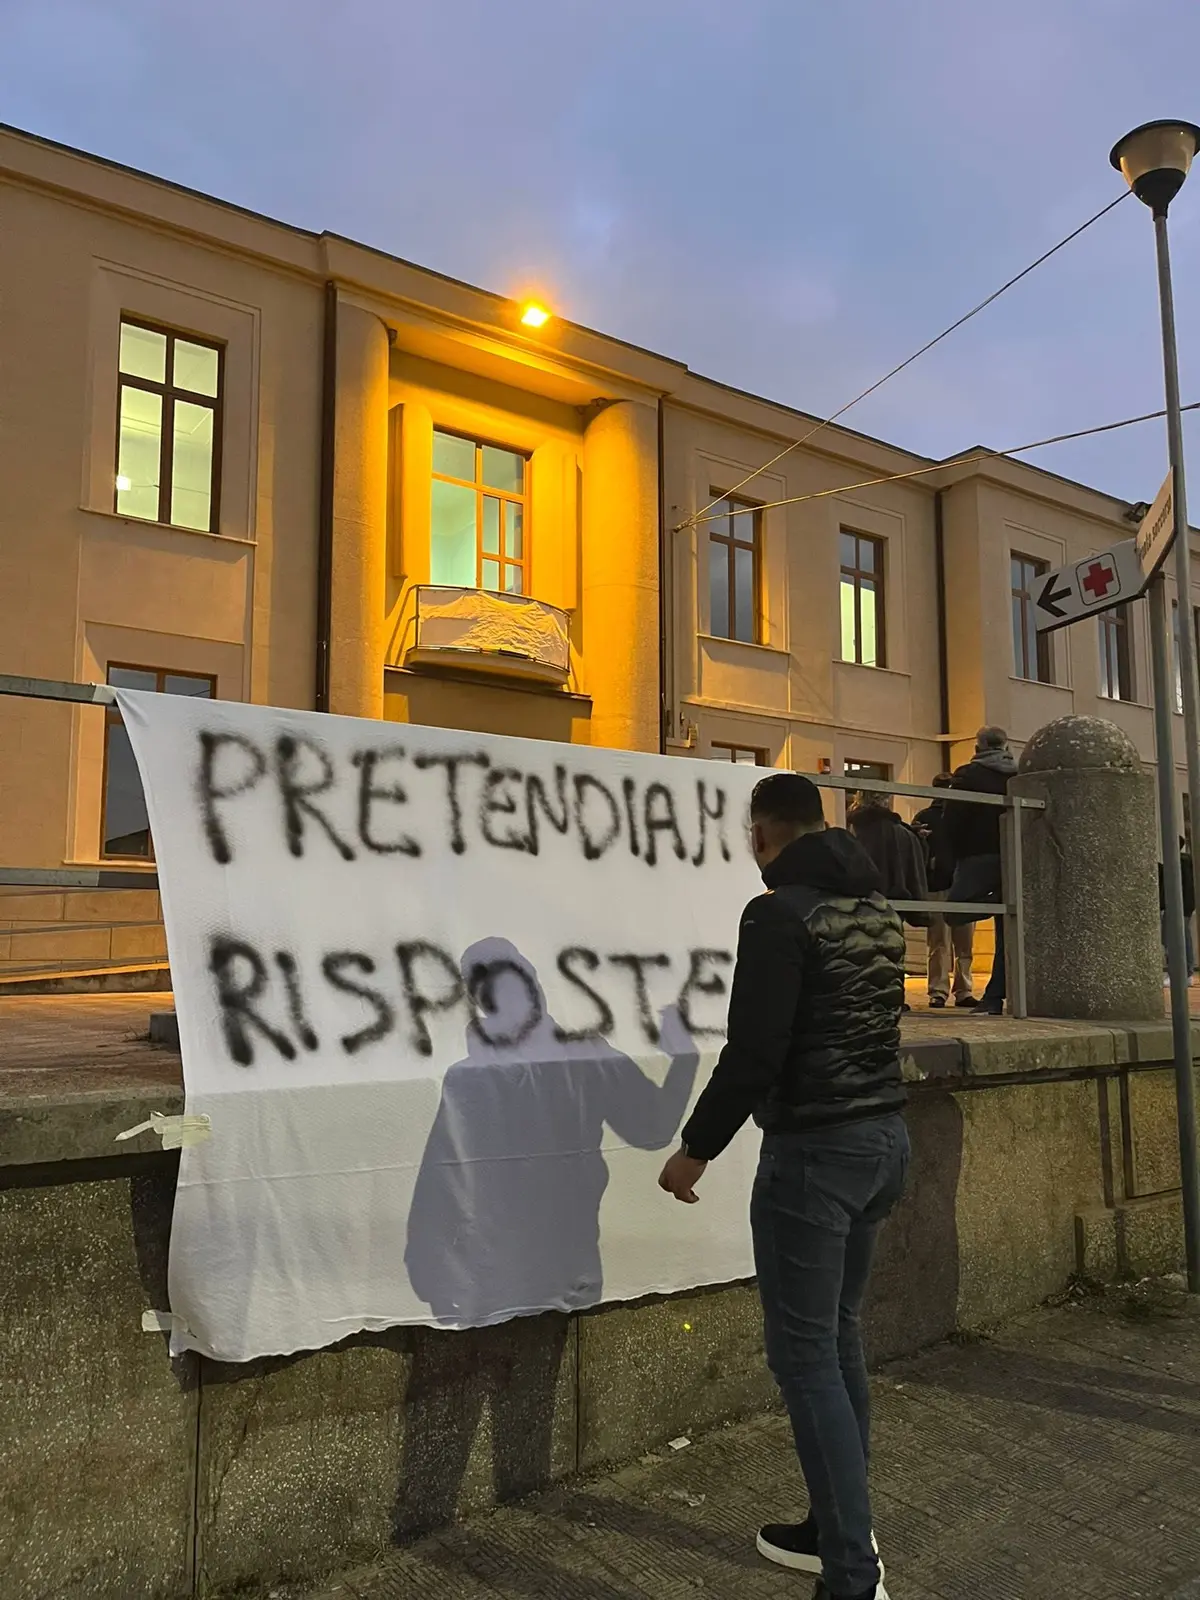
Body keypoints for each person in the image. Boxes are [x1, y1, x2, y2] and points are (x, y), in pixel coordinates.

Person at [659, 772, 907, 1600]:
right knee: (836, 1342)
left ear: (762, 833)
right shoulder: (878, 909)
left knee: (806, 1360)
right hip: (883, 1141)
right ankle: (834, 1530)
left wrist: (694, 1148)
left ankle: (849, 1574)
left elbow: (756, 1053)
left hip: (814, 1155)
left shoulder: (777, 913)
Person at [943, 727, 1017, 1017]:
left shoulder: (968, 775)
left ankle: (998, 900)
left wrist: (948, 856)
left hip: (975, 856)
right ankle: (994, 997)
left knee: (954, 912)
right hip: (1010, 856)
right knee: (1005, 933)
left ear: (978, 746)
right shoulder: (1016, 775)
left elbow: (953, 818)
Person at [846, 793, 929, 1013]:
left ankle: (869, 996)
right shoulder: (902, 831)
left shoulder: (858, 832)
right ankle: (895, 995)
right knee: (894, 950)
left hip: (864, 900)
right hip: (897, 901)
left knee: (865, 951)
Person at [912, 775, 976, 1009]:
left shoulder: (928, 817)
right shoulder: (950, 817)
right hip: (954, 884)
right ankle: (957, 991)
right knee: (955, 943)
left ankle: (945, 991)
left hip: (942, 884)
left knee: (946, 943)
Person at [1158, 837, 1196, 984]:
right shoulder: (1184, 862)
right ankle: (1184, 972)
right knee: (1179, 937)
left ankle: (1182, 973)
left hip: (1178, 905)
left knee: (1176, 938)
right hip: (1181, 905)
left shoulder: (1181, 862)